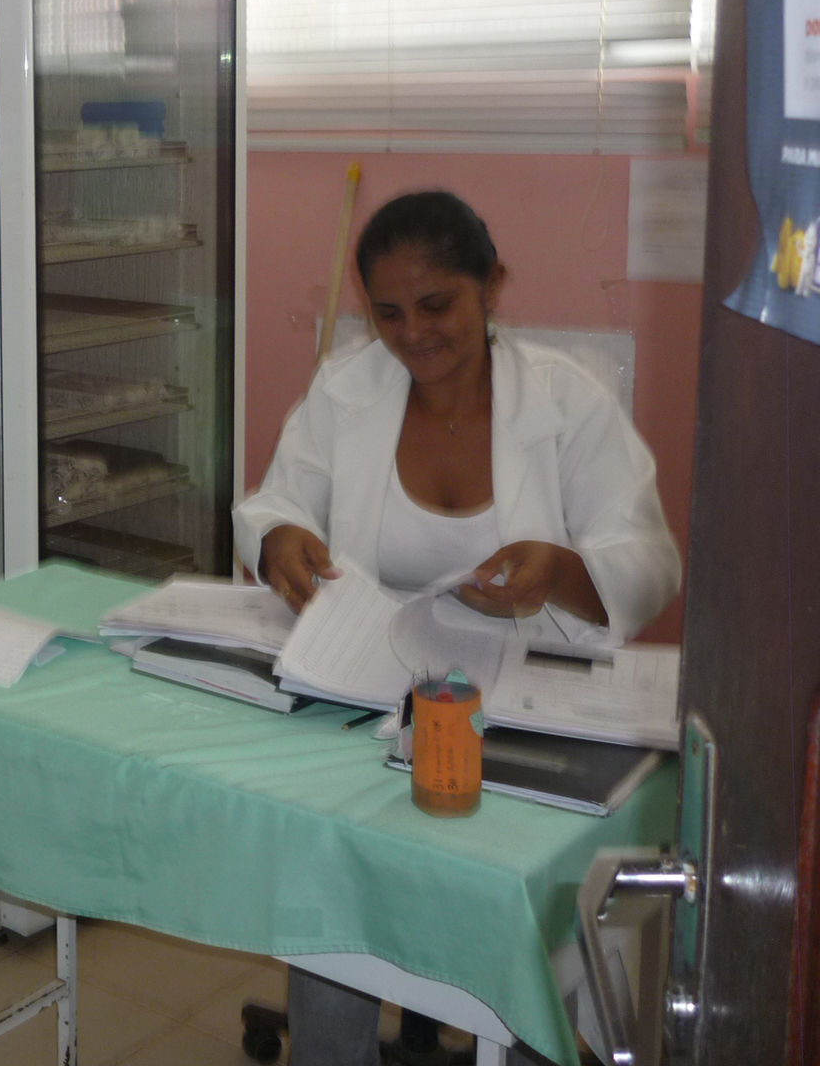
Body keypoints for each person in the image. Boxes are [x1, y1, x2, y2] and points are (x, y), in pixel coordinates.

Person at [232, 189, 681, 1066]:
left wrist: (562, 571)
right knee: (333, 872)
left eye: (437, 305)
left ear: (491, 286)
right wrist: (278, 535)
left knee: (516, 913)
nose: (412, 335)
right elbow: (278, 500)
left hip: (523, 700)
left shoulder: (566, 402)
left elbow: (651, 557)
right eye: (388, 314)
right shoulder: (347, 388)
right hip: (372, 692)